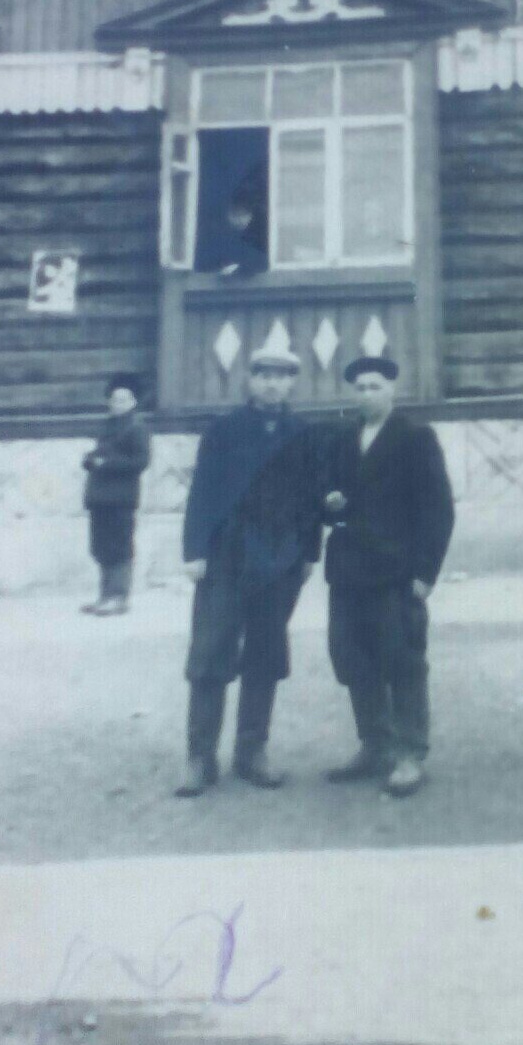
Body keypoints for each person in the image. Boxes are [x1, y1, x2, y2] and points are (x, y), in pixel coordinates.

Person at [175, 342, 323, 798]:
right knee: (210, 654)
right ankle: (201, 757)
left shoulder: (304, 434)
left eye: (281, 376)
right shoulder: (223, 430)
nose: (272, 383)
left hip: (279, 559)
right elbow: (202, 492)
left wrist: (308, 555)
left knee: (264, 653)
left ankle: (251, 752)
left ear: (292, 382)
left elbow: (312, 499)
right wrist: (195, 550)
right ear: (250, 380)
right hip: (226, 557)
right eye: (263, 375)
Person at [323, 354, 455, 799]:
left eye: (375, 386)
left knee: (402, 659)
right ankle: (374, 744)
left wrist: (425, 573)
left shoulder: (416, 438)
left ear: (392, 391)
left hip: (396, 572)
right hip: (349, 571)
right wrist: (332, 502)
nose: (366, 394)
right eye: (359, 387)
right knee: (354, 658)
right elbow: (326, 496)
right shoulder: (344, 437)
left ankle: (409, 753)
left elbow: (438, 509)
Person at [80, 373, 151, 616]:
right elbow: (94, 456)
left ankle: (119, 597)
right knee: (100, 547)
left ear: (133, 402)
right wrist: (90, 460)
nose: (117, 403)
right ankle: (104, 596)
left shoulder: (137, 428)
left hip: (121, 499)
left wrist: (105, 463)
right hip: (100, 499)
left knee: (119, 547)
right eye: (114, 399)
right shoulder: (106, 426)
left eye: (123, 399)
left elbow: (141, 461)